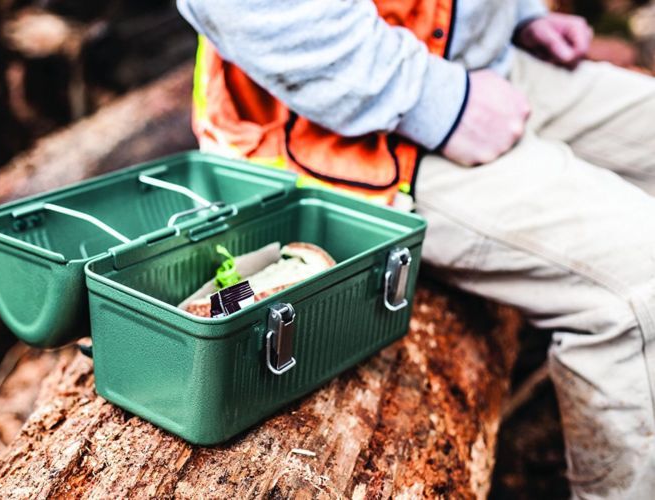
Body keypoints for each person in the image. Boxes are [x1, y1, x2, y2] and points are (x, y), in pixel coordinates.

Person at [175, 0, 655, 497]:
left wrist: (515, 16)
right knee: (640, 274)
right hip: (340, 128)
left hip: (482, 67)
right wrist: (441, 101)